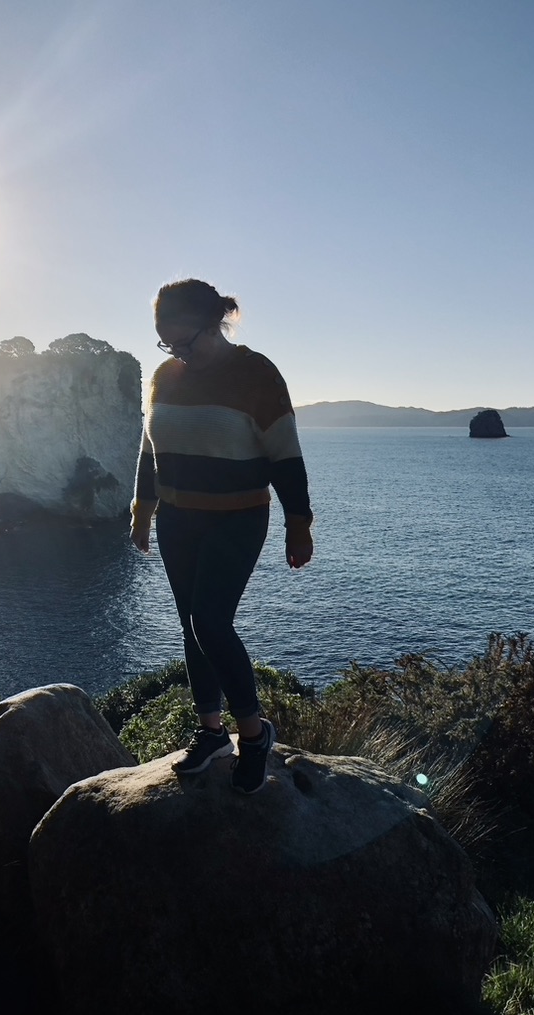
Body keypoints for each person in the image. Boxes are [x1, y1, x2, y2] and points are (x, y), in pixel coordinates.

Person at [130, 278, 313, 795]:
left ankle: (254, 737)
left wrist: (298, 526)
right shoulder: (165, 376)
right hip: (178, 519)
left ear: (215, 323)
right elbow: (151, 449)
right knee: (191, 626)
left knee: (211, 622)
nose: (178, 353)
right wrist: (143, 512)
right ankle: (212, 732)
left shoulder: (255, 373)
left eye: (186, 341)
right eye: (167, 343)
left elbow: (286, 456)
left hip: (237, 517)